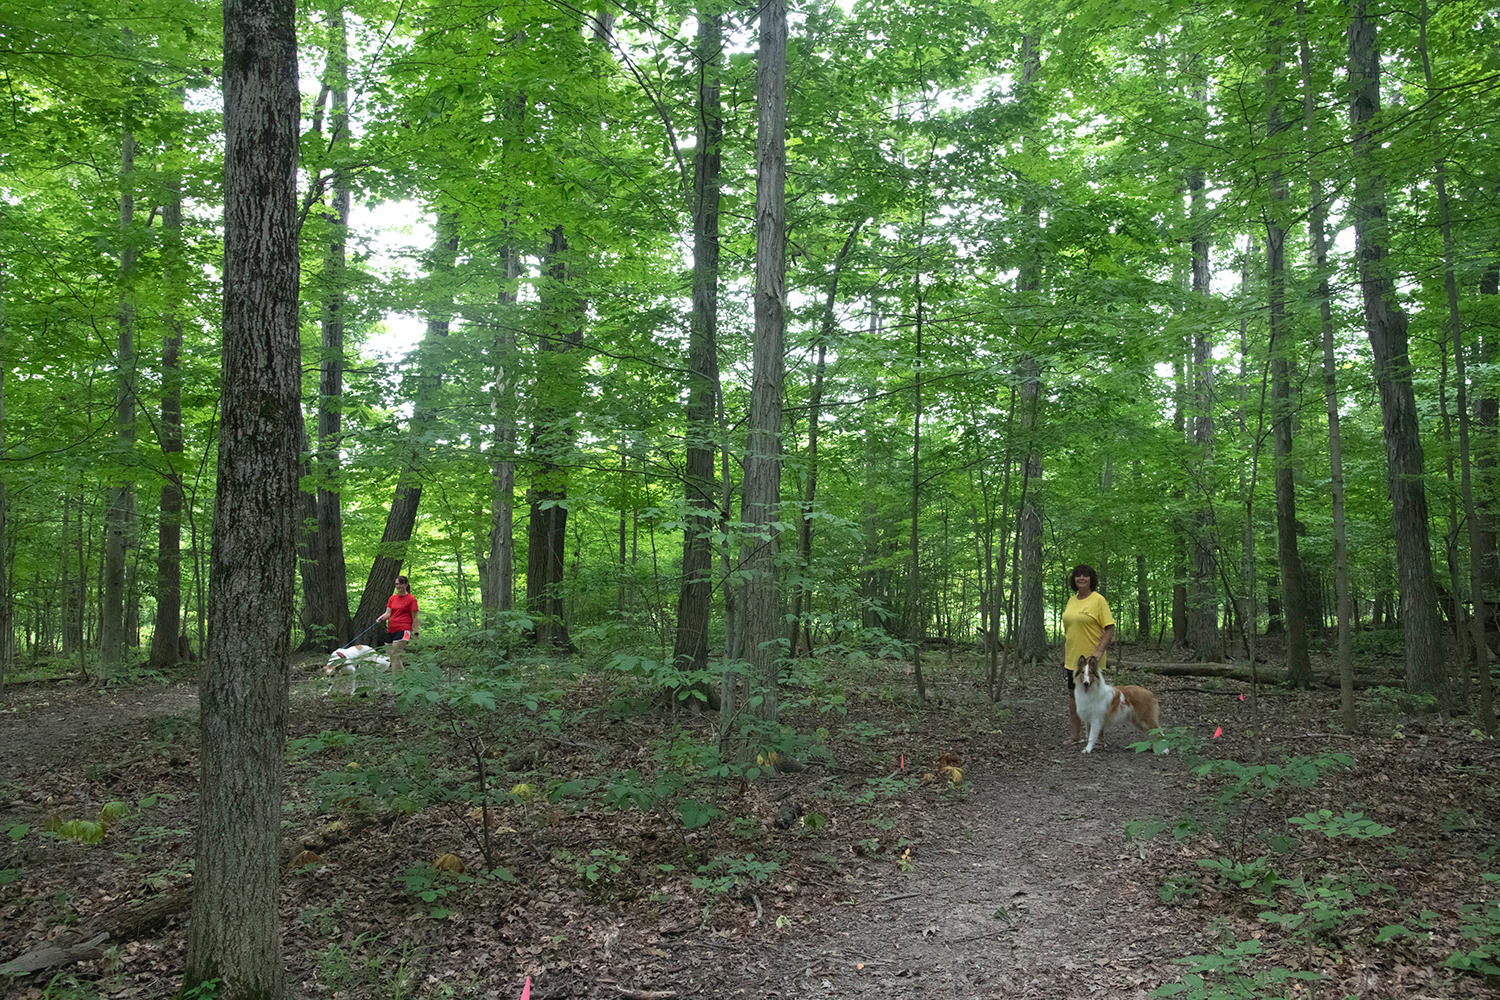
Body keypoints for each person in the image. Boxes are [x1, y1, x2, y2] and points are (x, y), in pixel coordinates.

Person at [1061, 563, 1115, 745]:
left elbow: (1109, 628)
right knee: (1073, 695)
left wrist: (1099, 652)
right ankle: (1075, 735)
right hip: (1073, 660)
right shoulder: (1071, 600)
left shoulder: (1098, 600)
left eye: (1085, 575)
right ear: (1074, 580)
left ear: (1091, 579)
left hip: (1092, 659)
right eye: (1078, 576)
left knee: (1095, 697)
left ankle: (1097, 736)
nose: (1081, 578)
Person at [377, 575, 420, 672]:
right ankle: (401, 679)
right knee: (391, 656)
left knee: (395, 654)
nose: (398, 586)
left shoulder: (411, 599)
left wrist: (416, 633)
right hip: (391, 630)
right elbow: (388, 613)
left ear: (406, 585)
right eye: (396, 584)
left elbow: (415, 617)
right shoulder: (392, 598)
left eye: (400, 584)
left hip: (404, 630)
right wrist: (381, 618)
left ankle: (397, 682)